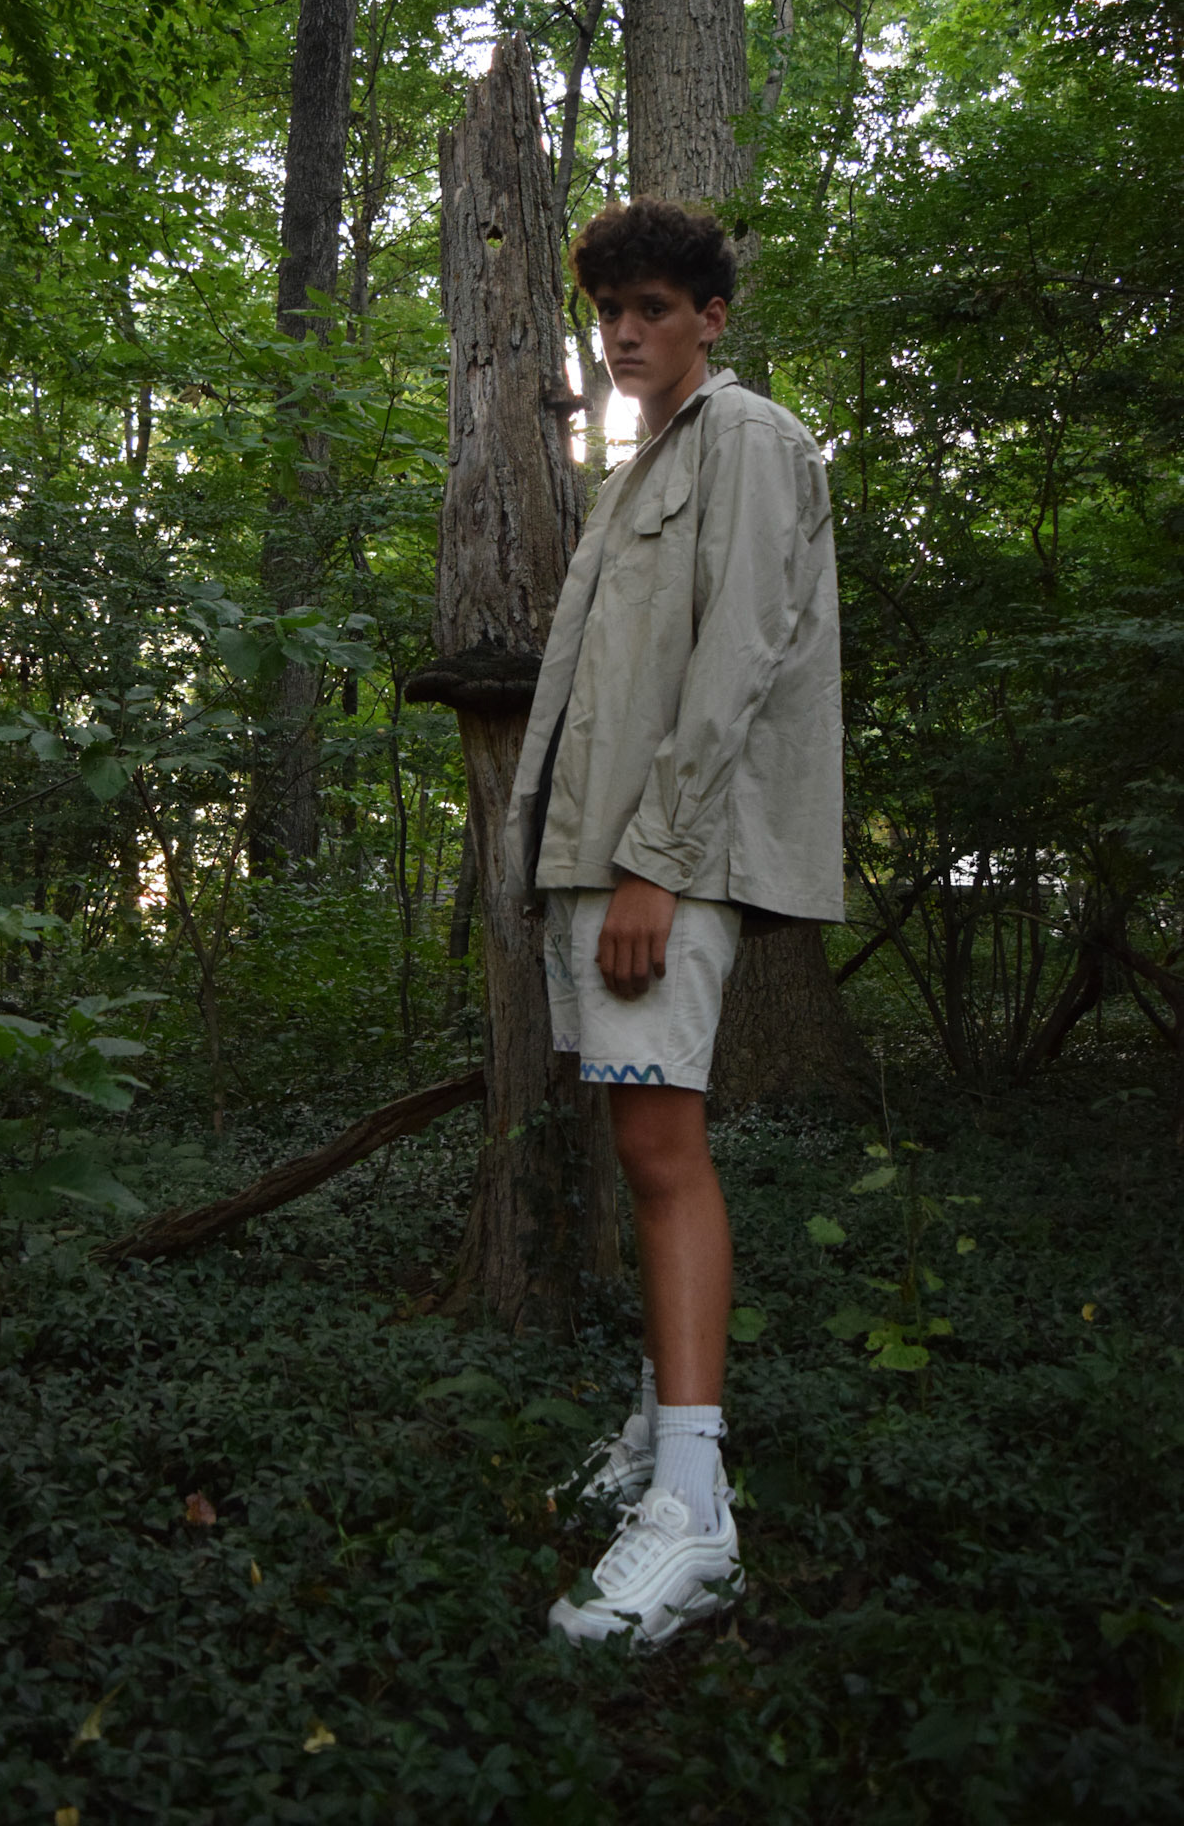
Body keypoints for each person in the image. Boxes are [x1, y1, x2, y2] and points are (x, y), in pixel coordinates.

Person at [503, 197, 844, 1648]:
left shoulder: (748, 440)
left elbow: (742, 654)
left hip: (663, 858)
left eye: (653, 308)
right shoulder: (640, 467)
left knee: (661, 1151)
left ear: (710, 316)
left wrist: (655, 860)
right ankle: (662, 1433)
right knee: (643, 1146)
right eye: (610, 312)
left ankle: (696, 1510)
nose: (626, 333)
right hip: (604, 854)